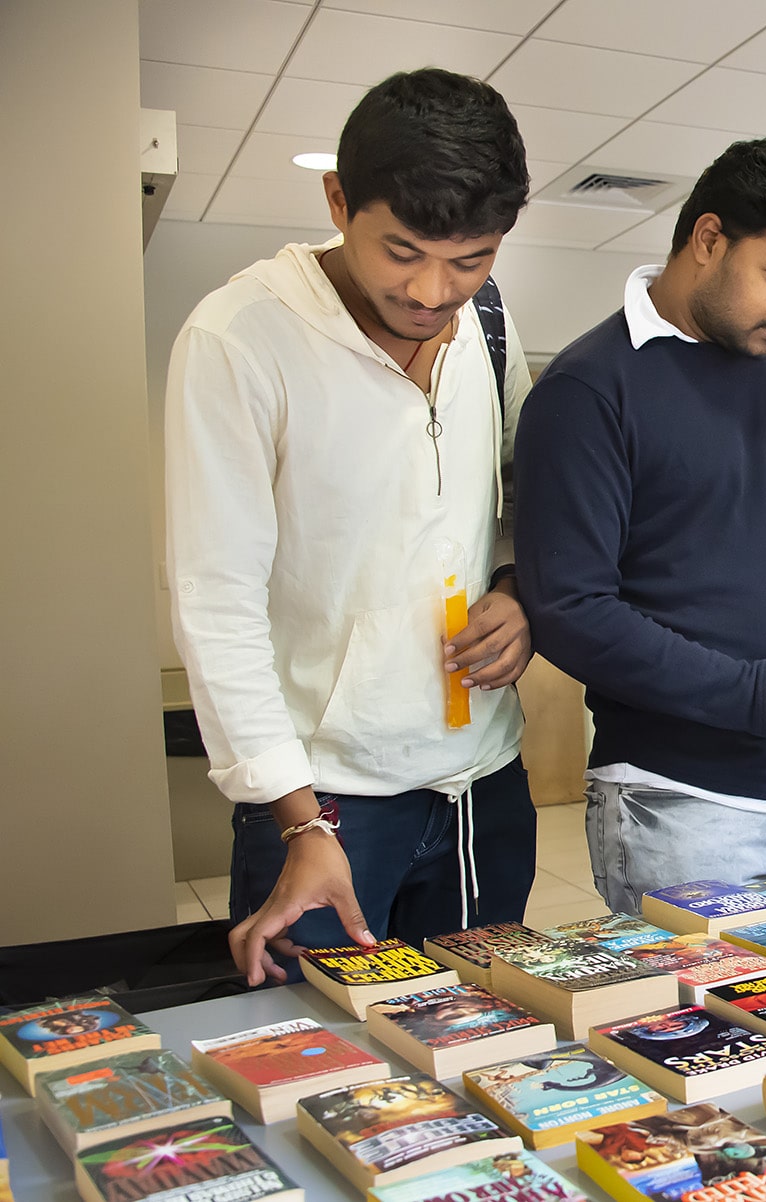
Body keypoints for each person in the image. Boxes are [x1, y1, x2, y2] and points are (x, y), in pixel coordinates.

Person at [165, 69, 538, 987]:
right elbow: (216, 600)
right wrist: (296, 818)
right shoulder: (241, 338)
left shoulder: (486, 321)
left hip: (483, 780)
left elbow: (526, 502)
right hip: (326, 803)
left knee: (483, 1041)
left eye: (471, 257)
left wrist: (520, 592)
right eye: (402, 251)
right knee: (328, 1073)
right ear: (338, 200)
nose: (432, 291)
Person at [514, 138, 766, 914]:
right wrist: (759, 695)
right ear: (707, 240)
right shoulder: (589, 387)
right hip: (682, 803)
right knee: (715, 1034)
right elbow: (569, 610)